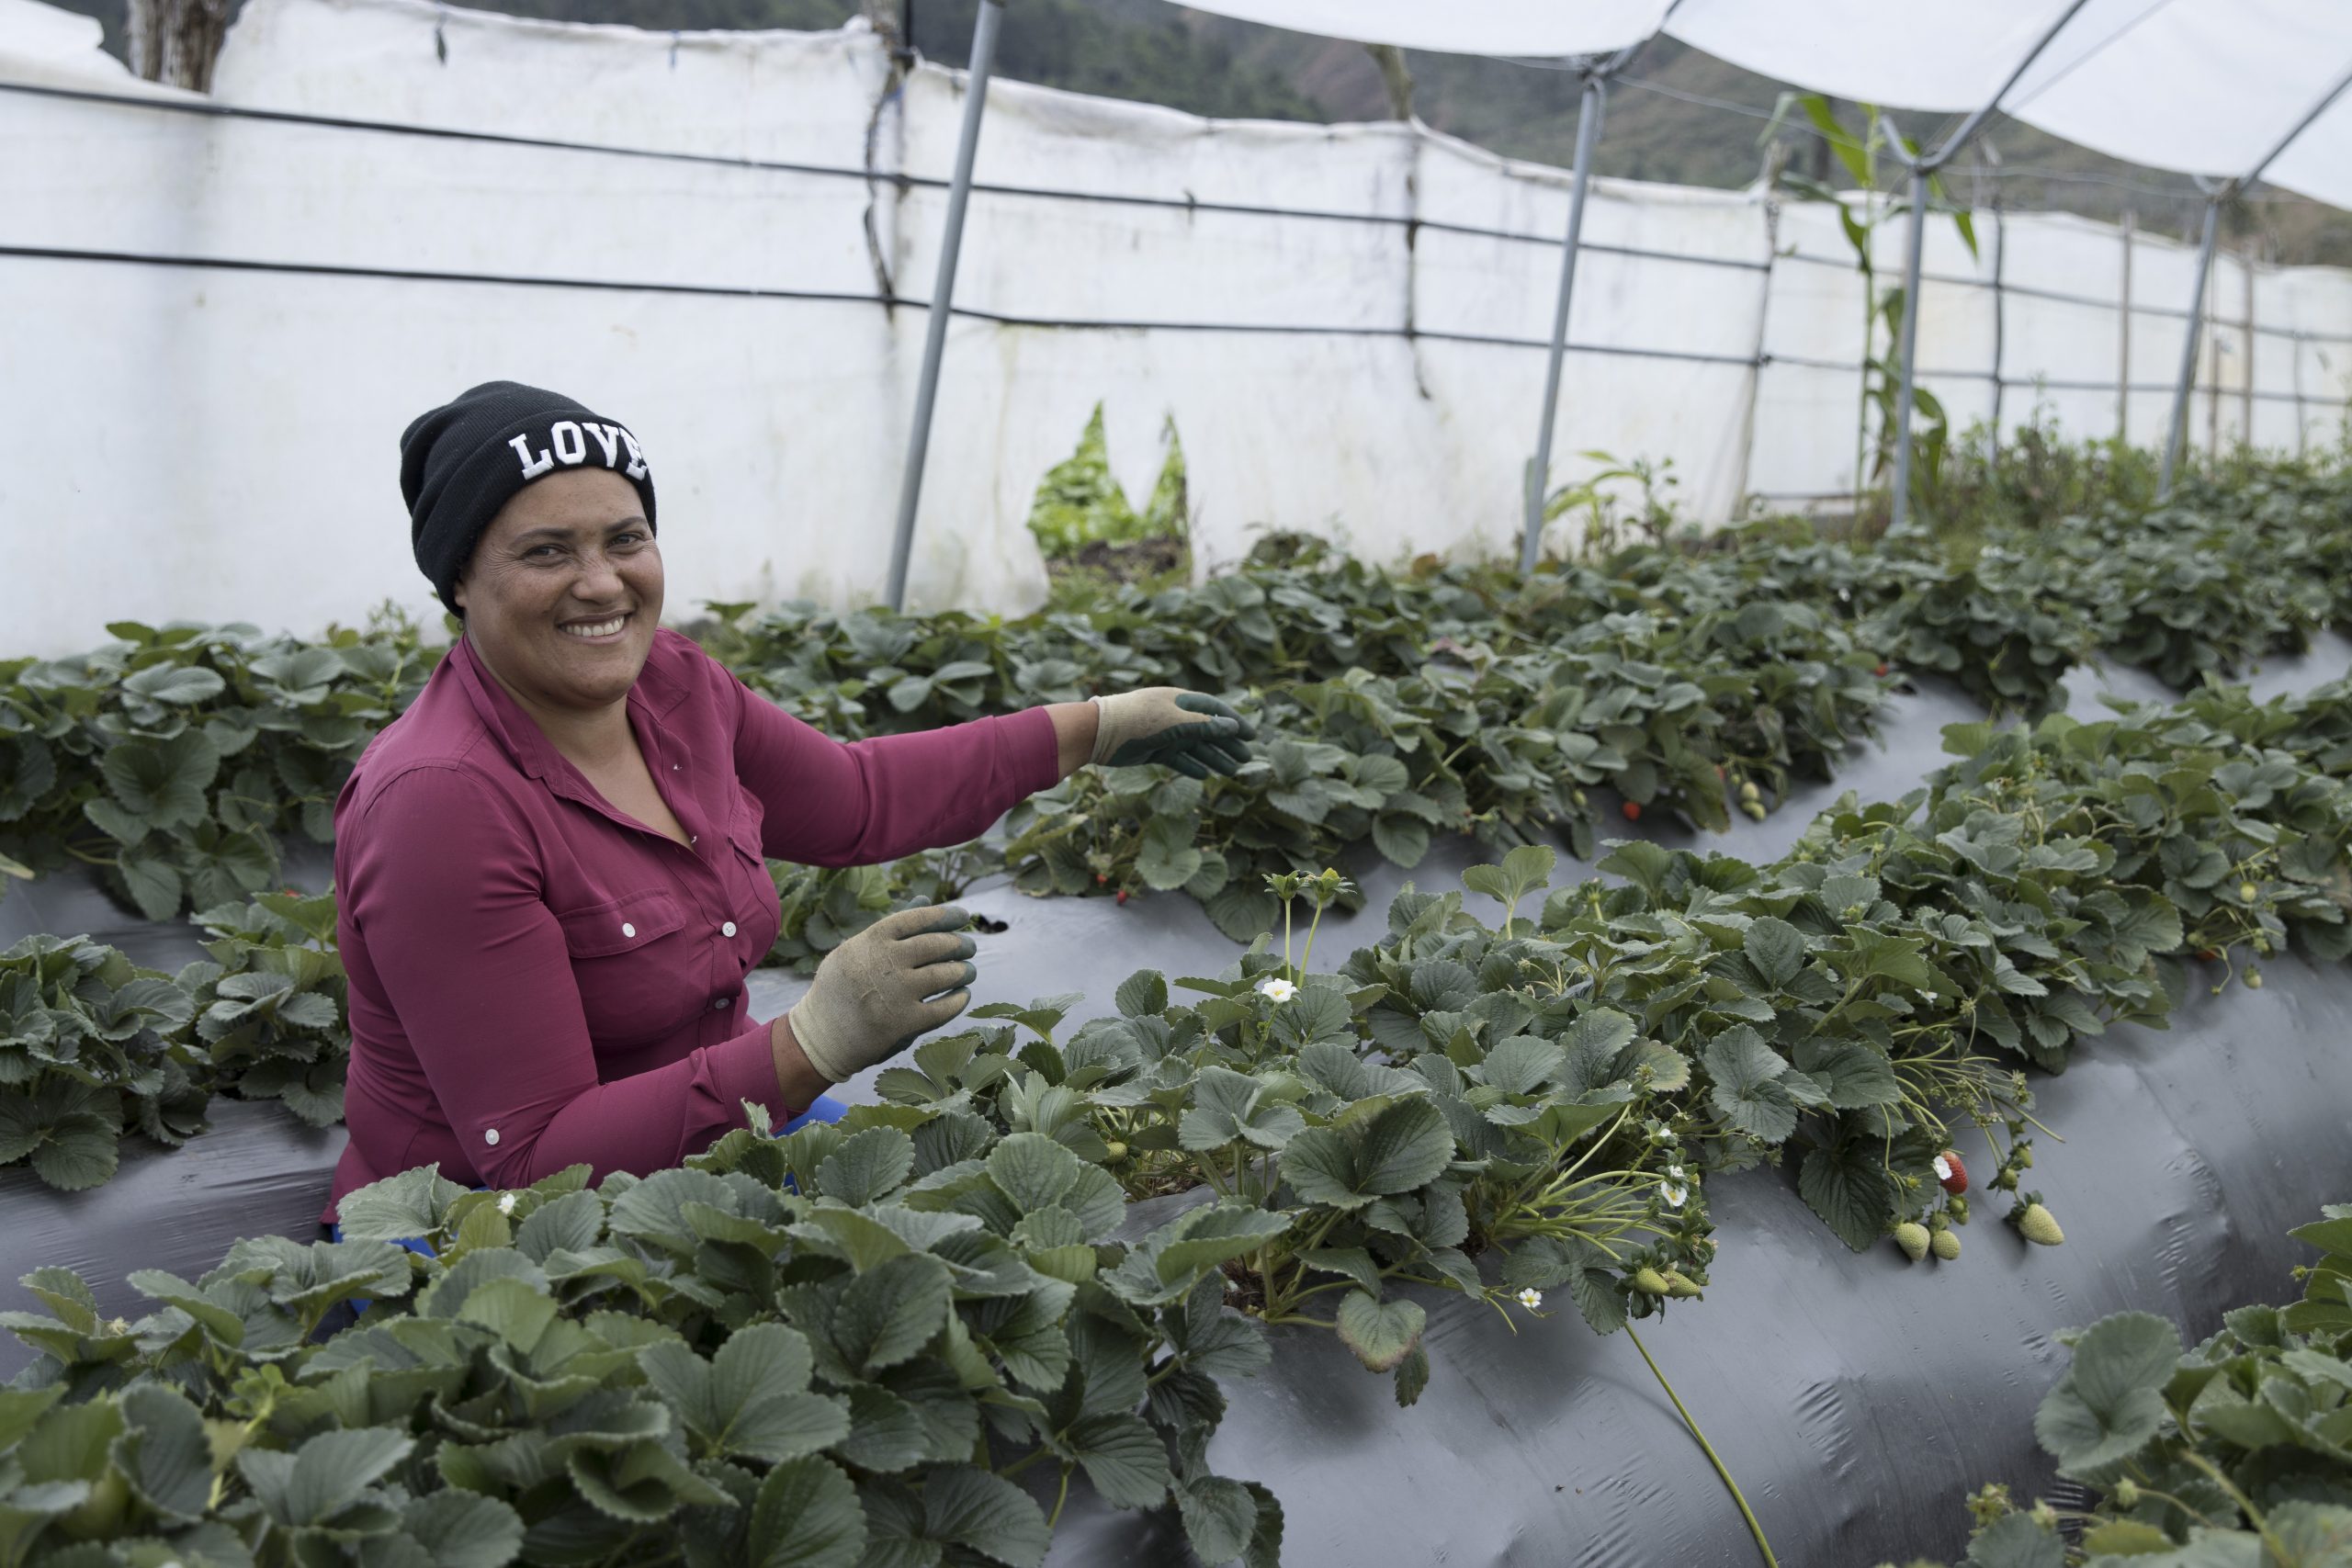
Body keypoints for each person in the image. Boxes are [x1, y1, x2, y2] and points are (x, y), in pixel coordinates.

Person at [321, 380, 1251, 1223]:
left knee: (982, 1203)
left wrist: (1095, 726)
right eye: (544, 552)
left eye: (625, 539)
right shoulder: (438, 806)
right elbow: (531, 1165)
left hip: (715, 1142)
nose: (600, 583)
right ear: (457, 582)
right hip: (485, 1234)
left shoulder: (674, 687)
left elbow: (857, 800)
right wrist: (811, 1041)